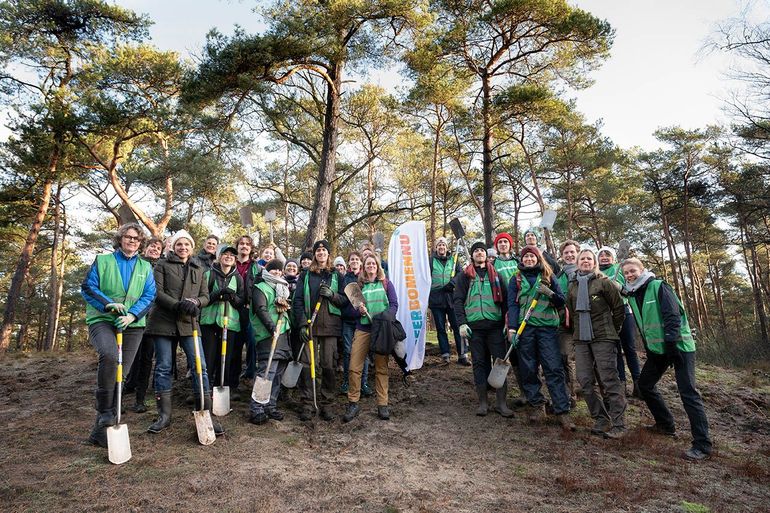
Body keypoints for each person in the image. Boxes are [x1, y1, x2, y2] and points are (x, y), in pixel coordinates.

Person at [621, 258, 712, 461]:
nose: (630, 275)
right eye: (626, 273)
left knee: (688, 393)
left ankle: (703, 445)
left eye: (633, 271)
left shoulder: (658, 286)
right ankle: (665, 425)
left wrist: (672, 345)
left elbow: (672, 316)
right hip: (658, 350)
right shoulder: (633, 294)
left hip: (679, 347)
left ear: (642, 270)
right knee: (645, 385)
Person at [81, 223, 156, 448]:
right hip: (103, 320)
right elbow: (88, 287)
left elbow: (150, 295)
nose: (132, 241)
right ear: (120, 238)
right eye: (128, 237)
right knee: (110, 356)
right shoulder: (103, 261)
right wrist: (108, 304)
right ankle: (105, 412)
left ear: (140, 242)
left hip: (132, 325)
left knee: (121, 372)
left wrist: (133, 315)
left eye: (136, 238)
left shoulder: (145, 267)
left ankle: (101, 429)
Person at [145, 229, 222, 435]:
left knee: (200, 366)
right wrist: (177, 305)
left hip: (189, 322)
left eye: (187, 244)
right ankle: (164, 415)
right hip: (163, 321)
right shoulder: (162, 265)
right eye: (179, 244)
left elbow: (206, 295)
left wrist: (197, 302)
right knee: (163, 367)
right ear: (172, 246)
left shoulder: (199, 268)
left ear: (191, 247)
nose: (183, 247)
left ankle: (205, 411)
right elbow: (156, 292)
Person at [507, 246, 573, 429]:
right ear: (522, 259)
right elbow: (512, 305)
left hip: (547, 330)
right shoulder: (516, 278)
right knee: (528, 368)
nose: (529, 259)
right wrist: (512, 329)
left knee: (553, 368)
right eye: (526, 256)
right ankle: (537, 405)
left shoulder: (548, 276)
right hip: (525, 329)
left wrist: (550, 293)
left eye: (532, 256)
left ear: (537, 259)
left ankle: (562, 411)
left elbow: (561, 300)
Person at [567, 249, 626, 438]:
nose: (585, 261)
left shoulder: (604, 283)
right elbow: (571, 311)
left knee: (609, 380)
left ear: (594, 262)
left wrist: (612, 330)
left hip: (604, 337)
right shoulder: (573, 285)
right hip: (581, 339)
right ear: (577, 263)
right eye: (582, 258)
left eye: (589, 258)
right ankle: (601, 418)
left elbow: (618, 309)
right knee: (584, 380)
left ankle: (619, 424)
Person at [292, 239, 349, 421]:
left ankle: (327, 404)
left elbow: (345, 300)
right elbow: (298, 300)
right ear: (315, 254)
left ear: (328, 254)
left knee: (328, 366)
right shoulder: (306, 275)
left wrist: (332, 295)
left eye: (324, 250)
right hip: (310, 325)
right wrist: (301, 324)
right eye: (318, 250)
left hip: (331, 327)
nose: (321, 253)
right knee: (309, 366)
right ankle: (308, 403)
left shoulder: (336, 275)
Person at [453, 241, 508, 416]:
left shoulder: (497, 275)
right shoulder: (464, 276)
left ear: (486, 255)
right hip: (474, 328)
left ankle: (501, 403)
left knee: (499, 363)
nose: (479, 253)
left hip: (496, 327)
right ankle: (483, 403)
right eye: (476, 251)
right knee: (479, 363)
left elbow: (506, 302)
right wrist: (462, 323)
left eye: (482, 251)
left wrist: (508, 323)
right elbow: (458, 301)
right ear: (472, 255)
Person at [342, 254, 399, 422]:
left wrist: (384, 318)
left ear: (377, 266)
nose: (371, 266)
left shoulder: (386, 284)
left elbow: (394, 305)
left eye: (373, 263)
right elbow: (351, 311)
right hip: (363, 329)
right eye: (368, 264)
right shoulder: (358, 286)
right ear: (364, 267)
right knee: (354, 367)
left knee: (381, 368)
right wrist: (357, 311)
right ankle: (353, 403)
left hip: (381, 330)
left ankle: (383, 404)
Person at [249, 259, 293, 424]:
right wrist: (271, 327)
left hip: (283, 333)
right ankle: (257, 408)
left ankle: (270, 405)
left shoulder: (282, 288)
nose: (276, 272)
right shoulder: (260, 287)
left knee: (278, 371)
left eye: (278, 270)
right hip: (268, 335)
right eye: (272, 269)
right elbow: (260, 309)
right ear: (267, 271)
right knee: (266, 373)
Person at [124, 236, 163, 413]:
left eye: (158, 248)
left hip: (153, 320)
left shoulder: (161, 267)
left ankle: (140, 398)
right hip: (133, 317)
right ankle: (121, 390)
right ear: (145, 248)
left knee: (146, 359)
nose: (155, 250)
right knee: (128, 358)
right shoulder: (136, 264)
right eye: (152, 247)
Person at [200, 245, 244, 395]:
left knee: (225, 357)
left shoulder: (238, 278)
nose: (229, 257)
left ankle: (221, 387)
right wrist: (218, 294)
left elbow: (241, 302)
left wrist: (232, 297)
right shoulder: (208, 275)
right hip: (210, 323)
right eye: (225, 254)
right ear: (219, 257)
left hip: (229, 324)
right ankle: (205, 389)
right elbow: (203, 298)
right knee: (208, 358)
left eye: (232, 255)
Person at [598, 246, 642, 398]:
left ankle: (638, 384)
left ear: (613, 257)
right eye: (601, 255)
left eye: (607, 254)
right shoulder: (597, 273)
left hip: (624, 311)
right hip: (607, 314)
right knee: (615, 350)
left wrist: (620, 287)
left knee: (629, 348)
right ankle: (621, 385)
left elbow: (631, 290)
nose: (604, 257)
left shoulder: (620, 269)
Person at [231, 235, 262, 398]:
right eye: (241, 244)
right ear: (237, 247)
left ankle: (250, 374)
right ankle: (233, 380)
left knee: (252, 342)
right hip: (233, 309)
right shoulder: (231, 264)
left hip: (250, 310)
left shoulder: (256, 267)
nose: (244, 246)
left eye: (247, 244)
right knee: (235, 345)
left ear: (251, 248)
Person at [428, 237, 468, 365]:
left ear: (446, 247)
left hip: (451, 297)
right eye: (439, 245)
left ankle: (463, 355)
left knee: (457, 326)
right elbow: (425, 276)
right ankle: (445, 355)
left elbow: (460, 274)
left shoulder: (454, 260)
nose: (441, 247)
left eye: (443, 245)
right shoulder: (431, 261)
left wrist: (453, 282)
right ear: (436, 248)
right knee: (441, 328)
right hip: (436, 297)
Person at [340, 252, 372, 395]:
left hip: (361, 320)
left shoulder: (364, 278)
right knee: (347, 352)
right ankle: (347, 381)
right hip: (347, 320)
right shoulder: (344, 278)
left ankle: (363, 383)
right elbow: (341, 298)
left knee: (363, 353)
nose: (354, 261)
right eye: (352, 259)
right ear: (349, 262)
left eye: (357, 259)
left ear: (361, 262)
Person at [554, 240, 580, 405]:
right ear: (562, 256)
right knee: (566, 357)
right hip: (565, 324)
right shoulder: (559, 277)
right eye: (566, 253)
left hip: (586, 322)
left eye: (572, 252)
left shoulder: (586, 271)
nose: (569, 255)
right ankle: (571, 394)